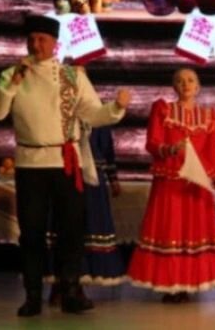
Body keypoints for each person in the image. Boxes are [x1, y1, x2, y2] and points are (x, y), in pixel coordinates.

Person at [0, 15, 129, 317]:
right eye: (31, 39)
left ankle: (71, 291)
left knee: (71, 229)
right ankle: (32, 295)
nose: (35, 44)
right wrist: (11, 85)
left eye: (42, 39)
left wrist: (116, 108)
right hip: (30, 163)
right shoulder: (12, 74)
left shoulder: (72, 76)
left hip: (65, 162)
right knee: (32, 231)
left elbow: (93, 114)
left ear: (55, 43)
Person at [126, 68, 215, 303]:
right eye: (180, 81)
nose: (186, 84)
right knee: (170, 230)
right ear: (174, 87)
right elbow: (152, 143)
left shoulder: (210, 116)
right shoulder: (163, 109)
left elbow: (212, 153)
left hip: (197, 182)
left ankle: (188, 283)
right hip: (170, 180)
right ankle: (170, 285)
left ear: (198, 87)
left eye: (190, 80)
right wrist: (170, 149)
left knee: (193, 233)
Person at [46, 126, 126, 304]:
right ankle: (59, 283)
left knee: (87, 227)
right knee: (61, 226)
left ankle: (76, 284)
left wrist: (113, 177)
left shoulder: (96, 116)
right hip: (63, 170)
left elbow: (105, 146)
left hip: (91, 179)